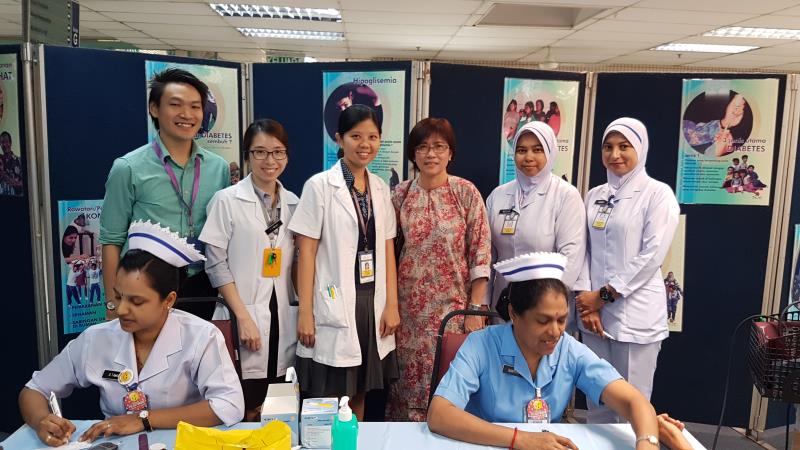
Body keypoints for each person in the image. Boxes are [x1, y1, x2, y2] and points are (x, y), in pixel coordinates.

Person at [19, 221, 244, 447]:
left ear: (169, 300)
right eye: (118, 297)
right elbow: (34, 390)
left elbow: (229, 404)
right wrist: (41, 421)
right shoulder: (96, 339)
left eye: (136, 301)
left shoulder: (201, 336)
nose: (122, 310)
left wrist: (143, 420)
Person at [428, 252, 662, 450]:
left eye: (562, 320)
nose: (555, 332)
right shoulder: (480, 345)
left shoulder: (568, 350)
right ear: (513, 314)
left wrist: (648, 441)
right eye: (543, 321)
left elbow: (633, 401)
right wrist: (520, 439)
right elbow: (439, 415)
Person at [289, 105, 399, 421]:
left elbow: (387, 250)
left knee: (360, 391)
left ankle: (354, 441)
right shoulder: (319, 186)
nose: (365, 144)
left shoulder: (380, 187)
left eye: (373, 137)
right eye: (356, 136)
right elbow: (305, 253)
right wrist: (306, 312)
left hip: (370, 303)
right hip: (335, 301)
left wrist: (391, 304)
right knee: (332, 394)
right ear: (339, 138)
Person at [574, 117, 680, 424]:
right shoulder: (594, 195)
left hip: (636, 315)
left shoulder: (658, 195)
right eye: (608, 147)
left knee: (633, 404)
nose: (614, 154)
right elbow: (584, 249)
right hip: (594, 315)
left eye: (624, 146)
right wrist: (587, 302)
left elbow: (651, 256)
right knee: (597, 399)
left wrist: (604, 296)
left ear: (641, 149)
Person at [100, 68, 230, 316]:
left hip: (201, 285)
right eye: (176, 105)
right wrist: (112, 303)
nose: (187, 115)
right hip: (146, 287)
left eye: (195, 107)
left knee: (194, 353)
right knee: (146, 355)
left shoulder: (218, 168)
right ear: (154, 109)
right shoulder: (128, 168)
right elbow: (111, 241)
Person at [386, 117, 491, 422]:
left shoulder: (465, 193)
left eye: (438, 147)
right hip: (408, 316)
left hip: (453, 312)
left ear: (450, 152)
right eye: (422, 147)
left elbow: (480, 251)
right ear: (413, 154)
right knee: (406, 388)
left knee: (451, 383)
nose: (430, 154)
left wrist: (474, 309)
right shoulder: (401, 196)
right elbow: (388, 255)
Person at [201, 119, 299, 419]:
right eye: (260, 152)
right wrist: (242, 317)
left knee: (280, 400)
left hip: (282, 314)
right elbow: (216, 264)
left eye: (278, 152)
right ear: (247, 156)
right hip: (241, 310)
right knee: (242, 402)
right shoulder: (227, 201)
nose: (270, 161)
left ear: (287, 155)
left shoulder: (294, 203)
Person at [485, 121, 585, 323]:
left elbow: (570, 259)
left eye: (537, 150)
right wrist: (485, 302)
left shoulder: (566, 195)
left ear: (550, 152)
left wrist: (545, 303)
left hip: (546, 310)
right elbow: (487, 255)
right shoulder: (498, 195)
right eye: (521, 150)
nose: (528, 157)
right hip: (503, 306)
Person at [0, 131, 22, 195]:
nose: (4, 145)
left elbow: (25, 183)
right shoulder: (0, 161)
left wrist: (13, 182)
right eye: (2, 142)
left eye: (6, 141)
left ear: (10, 142)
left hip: (17, 200)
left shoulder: (19, 161)